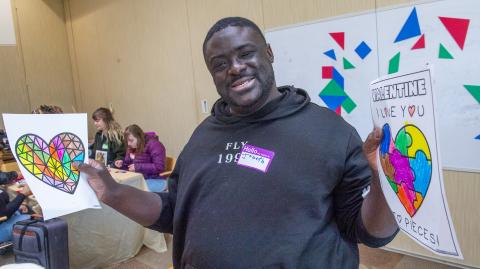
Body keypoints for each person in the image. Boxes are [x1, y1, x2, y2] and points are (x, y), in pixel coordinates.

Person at [76, 17, 398, 268]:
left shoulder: (329, 131)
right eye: (219, 64)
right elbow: (173, 210)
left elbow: (372, 231)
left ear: (269, 53)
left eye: (246, 53)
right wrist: (114, 193)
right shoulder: (203, 136)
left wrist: (383, 182)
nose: (235, 68)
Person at [116, 125, 166, 192]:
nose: (128, 144)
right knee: (120, 188)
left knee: (129, 192)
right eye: (127, 141)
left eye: (131, 140)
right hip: (137, 178)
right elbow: (128, 164)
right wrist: (122, 164)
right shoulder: (132, 146)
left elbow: (159, 167)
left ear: (139, 137)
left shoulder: (155, 145)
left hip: (153, 179)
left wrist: (138, 167)